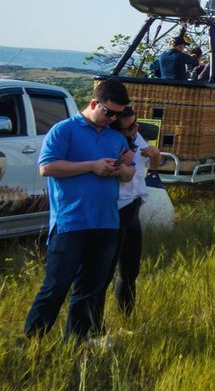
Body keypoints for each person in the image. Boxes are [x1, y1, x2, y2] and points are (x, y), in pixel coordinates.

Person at [24, 78, 135, 340]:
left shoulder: (115, 137)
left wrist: (120, 169)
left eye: (118, 115)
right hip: (71, 222)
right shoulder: (63, 130)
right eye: (109, 112)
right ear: (94, 103)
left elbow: (129, 175)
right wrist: (91, 166)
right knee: (56, 287)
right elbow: (47, 168)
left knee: (90, 290)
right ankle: (31, 342)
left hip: (106, 223)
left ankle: (76, 344)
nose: (112, 118)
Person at [105, 106, 160, 317]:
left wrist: (155, 153)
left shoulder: (136, 138)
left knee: (130, 269)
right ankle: (94, 321)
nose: (136, 128)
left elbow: (155, 165)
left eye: (136, 123)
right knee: (107, 269)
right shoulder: (113, 145)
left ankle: (126, 315)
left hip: (134, 206)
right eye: (130, 127)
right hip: (116, 208)